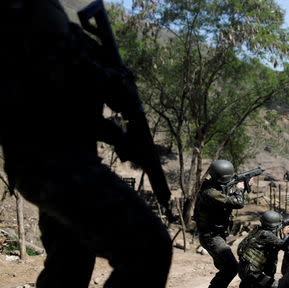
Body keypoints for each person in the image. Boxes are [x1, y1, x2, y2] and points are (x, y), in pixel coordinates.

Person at [1, 0, 172, 287]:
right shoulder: (27, 18)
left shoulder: (71, 35)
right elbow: (46, 85)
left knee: (71, 262)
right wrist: (109, 81)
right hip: (53, 163)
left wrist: (120, 137)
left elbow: (69, 110)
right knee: (147, 245)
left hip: (58, 163)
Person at [194, 159, 253, 288]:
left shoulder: (213, 187)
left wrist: (241, 188)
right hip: (211, 237)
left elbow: (229, 200)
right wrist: (239, 189)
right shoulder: (210, 192)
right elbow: (238, 203)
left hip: (216, 235)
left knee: (227, 267)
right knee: (231, 268)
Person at [237, 210, 289, 288]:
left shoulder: (258, 230)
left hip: (244, 270)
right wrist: (286, 235)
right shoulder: (267, 235)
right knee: (276, 285)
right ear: (272, 226)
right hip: (252, 274)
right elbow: (287, 247)